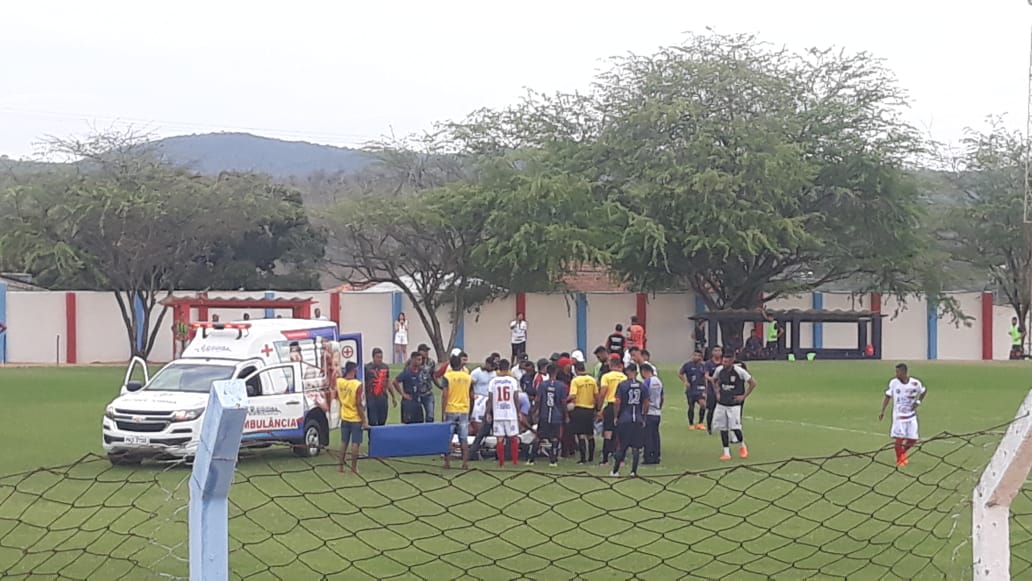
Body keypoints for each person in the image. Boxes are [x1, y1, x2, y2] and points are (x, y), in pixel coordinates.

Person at [879, 363, 928, 467]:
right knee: (899, 438)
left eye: (898, 372)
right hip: (899, 416)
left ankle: (902, 454)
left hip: (911, 415)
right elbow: (887, 396)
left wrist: (918, 402)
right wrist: (882, 411)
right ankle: (899, 459)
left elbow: (923, 391)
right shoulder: (894, 383)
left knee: (913, 439)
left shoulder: (915, 383)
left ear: (904, 372)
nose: (896, 374)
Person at [712, 351, 756, 460]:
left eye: (726, 362)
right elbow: (714, 380)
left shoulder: (739, 371)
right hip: (722, 404)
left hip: (734, 405)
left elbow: (753, 383)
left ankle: (742, 446)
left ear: (732, 361)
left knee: (735, 427)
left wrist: (743, 396)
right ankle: (726, 452)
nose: (724, 363)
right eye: (723, 361)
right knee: (723, 428)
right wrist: (717, 392)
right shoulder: (719, 370)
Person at [610, 363, 649, 478]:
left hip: (625, 418)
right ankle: (633, 472)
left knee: (622, 446)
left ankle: (615, 471)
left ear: (627, 372)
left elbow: (617, 401)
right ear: (636, 372)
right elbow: (646, 403)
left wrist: (616, 416)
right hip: (637, 418)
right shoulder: (642, 386)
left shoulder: (622, 385)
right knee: (636, 447)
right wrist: (644, 417)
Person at [486, 359, 524, 466]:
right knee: (514, 437)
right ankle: (515, 461)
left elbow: (490, 398)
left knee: (500, 438)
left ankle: (501, 462)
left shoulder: (493, 381)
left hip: (498, 413)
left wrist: (488, 412)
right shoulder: (512, 381)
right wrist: (518, 411)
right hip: (510, 412)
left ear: (499, 368)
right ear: (508, 368)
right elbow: (516, 397)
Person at [531, 364, 568, 467]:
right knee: (555, 438)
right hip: (556, 416)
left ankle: (531, 459)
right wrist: (566, 415)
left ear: (547, 372)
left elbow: (537, 400)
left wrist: (534, 411)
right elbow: (563, 402)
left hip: (544, 415)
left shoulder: (542, 385)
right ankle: (553, 460)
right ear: (557, 372)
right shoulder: (561, 386)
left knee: (539, 437)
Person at [440, 355, 472, 470]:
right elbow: (472, 395)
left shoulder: (447, 377)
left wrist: (443, 411)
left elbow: (445, 395)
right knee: (463, 438)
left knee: (448, 438)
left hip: (450, 409)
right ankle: (465, 463)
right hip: (464, 410)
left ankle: (447, 463)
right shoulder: (468, 377)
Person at [336, 362, 367, 474]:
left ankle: (340, 467)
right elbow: (358, 403)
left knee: (344, 442)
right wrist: (364, 420)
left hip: (344, 416)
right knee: (355, 443)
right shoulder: (357, 384)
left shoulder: (339, 382)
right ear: (354, 370)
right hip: (355, 418)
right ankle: (353, 468)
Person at [567, 361, 600, 464]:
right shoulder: (592, 380)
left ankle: (582, 458)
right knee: (590, 434)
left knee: (580, 434)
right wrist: (597, 408)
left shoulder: (575, 381)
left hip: (579, 409)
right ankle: (591, 457)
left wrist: (565, 400)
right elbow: (596, 395)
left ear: (576, 370)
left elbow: (573, 395)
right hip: (590, 409)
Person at [598, 356, 627, 465]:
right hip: (622, 406)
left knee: (608, 432)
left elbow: (602, 393)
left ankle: (605, 460)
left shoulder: (606, 377)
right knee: (619, 432)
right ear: (619, 366)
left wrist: (599, 408)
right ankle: (620, 459)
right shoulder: (624, 377)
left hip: (610, 405)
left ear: (610, 365)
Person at [392, 353, 425, 423]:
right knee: (408, 423)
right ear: (413, 359)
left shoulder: (420, 371)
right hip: (408, 402)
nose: (420, 362)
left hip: (418, 402)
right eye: (418, 359)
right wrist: (403, 394)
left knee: (419, 423)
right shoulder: (407, 372)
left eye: (421, 360)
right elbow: (395, 381)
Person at [364, 348, 393, 427]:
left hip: (382, 398)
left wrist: (393, 396)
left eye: (381, 357)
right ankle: (372, 435)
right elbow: (364, 383)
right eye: (378, 357)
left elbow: (387, 381)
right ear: (373, 357)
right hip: (371, 398)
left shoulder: (385, 367)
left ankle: (381, 434)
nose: (379, 359)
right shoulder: (367, 368)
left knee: (382, 420)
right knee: (372, 421)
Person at [679, 350, 707, 430]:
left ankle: (700, 423)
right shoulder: (687, 365)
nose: (696, 357)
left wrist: (706, 388)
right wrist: (685, 381)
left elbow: (705, 376)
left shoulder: (703, 366)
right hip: (691, 389)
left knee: (703, 404)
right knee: (691, 406)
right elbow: (680, 373)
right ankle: (691, 424)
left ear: (701, 357)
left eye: (698, 356)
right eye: (695, 355)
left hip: (700, 388)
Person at [641, 363, 663, 465]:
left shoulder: (647, 382)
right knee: (655, 435)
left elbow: (645, 399)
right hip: (657, 412)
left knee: (647, 436)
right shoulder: (659, 381)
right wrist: (659, 407)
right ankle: (656, 456)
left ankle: (648, 457)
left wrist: (644, 413)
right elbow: (662, 397)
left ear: (644, 371)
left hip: (649, 412)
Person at [703, 346, 723, 434]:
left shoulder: (724, 362)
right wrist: (712, 379)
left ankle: (722, 427)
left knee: (723, 408)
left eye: (719, 350)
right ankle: (709, 427)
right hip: (711, 389)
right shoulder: (708, 363)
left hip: (723, 388)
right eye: (715, 350)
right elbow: (706, 375)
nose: (717, 352)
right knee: (711, 409)